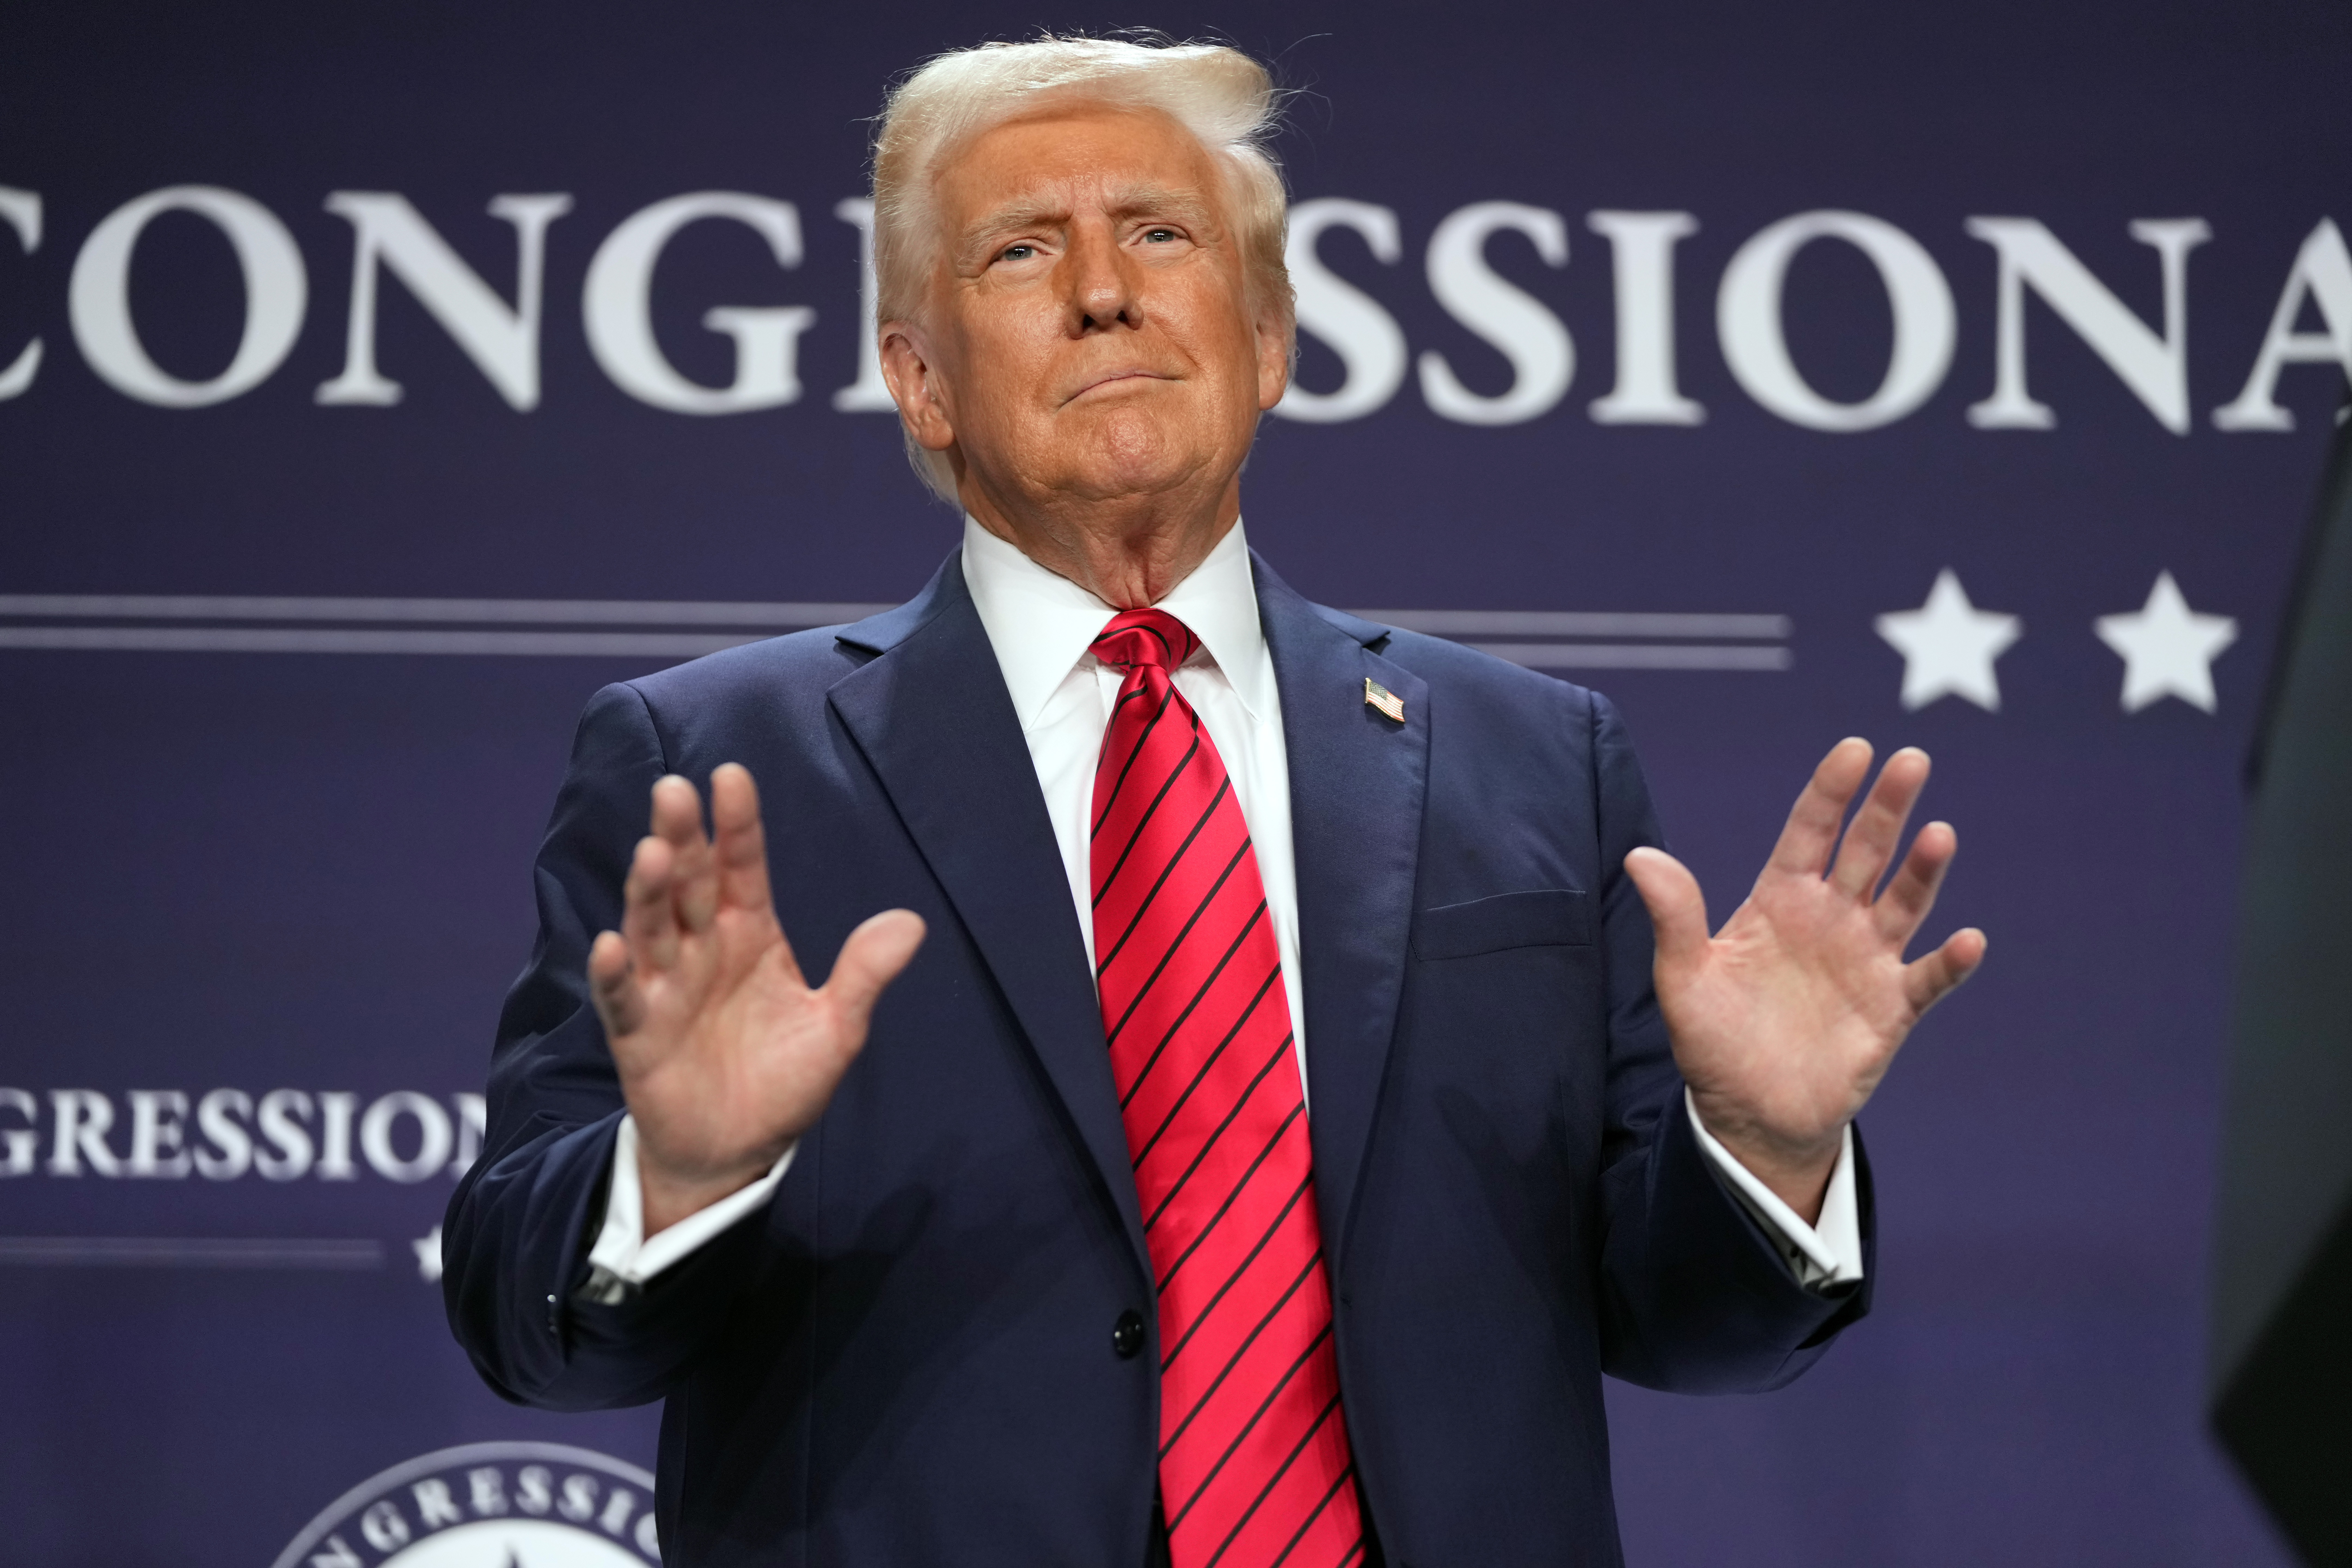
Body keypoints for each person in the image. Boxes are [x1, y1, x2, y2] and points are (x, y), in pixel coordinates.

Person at [443, 35, 1985, 1568]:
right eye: (1021, 249)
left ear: (1267, 339)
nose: (1103, 288)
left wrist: (1765, 1150)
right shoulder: (717, 768)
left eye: (1159, 235)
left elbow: (1687, 1326)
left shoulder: (1535, 758)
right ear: (920, 380)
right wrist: (679, 1178)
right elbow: (530, 1325)